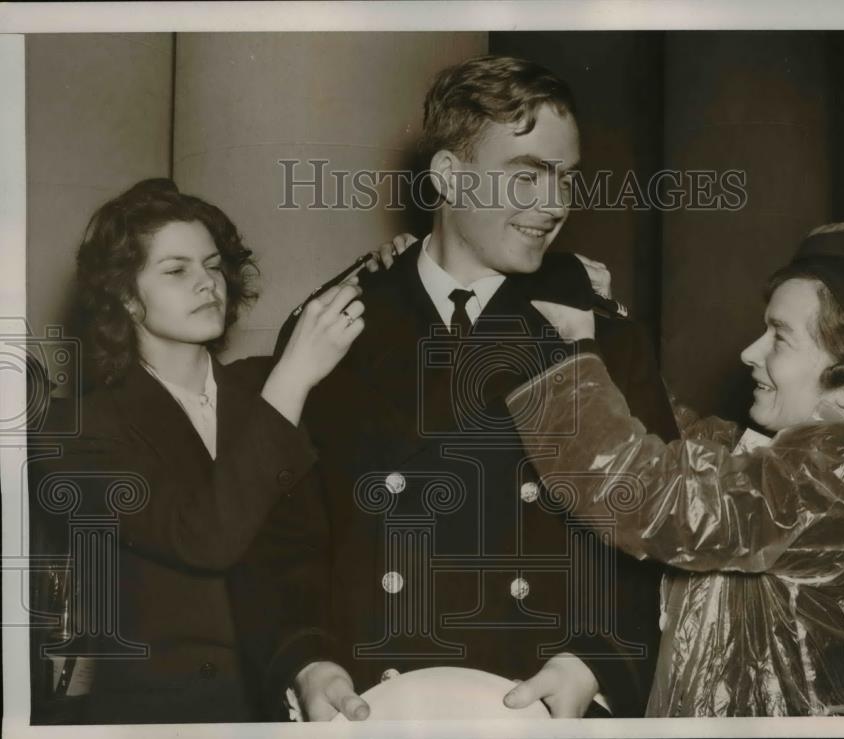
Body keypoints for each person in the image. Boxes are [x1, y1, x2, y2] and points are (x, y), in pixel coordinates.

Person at [229, 55, 680, 721]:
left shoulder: (603, 340)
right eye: (526, 176)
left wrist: (593, 663)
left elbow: (653, 533)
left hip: (538, 704)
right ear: (448, 176)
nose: (555, 205)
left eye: (566, 178)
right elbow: (284, 536)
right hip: (374, 707)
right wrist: (305, 660)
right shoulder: (334, 327)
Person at [504, 221, 844, 716]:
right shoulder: (842, 460)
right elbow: (686, 441)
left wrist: (572, 350)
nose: (749, 352)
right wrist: (610, 328)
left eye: (778, 338)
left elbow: (649, 496)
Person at [33, 178, 366, 723]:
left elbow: (306, 560)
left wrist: (313, 661)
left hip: (285, 700)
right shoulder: (75, 431)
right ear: (124, 295)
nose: (207, 283)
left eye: (213, 266)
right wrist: (292, 379)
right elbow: (203, 536)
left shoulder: (265, 394)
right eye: (176, 270)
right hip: (159, 720)